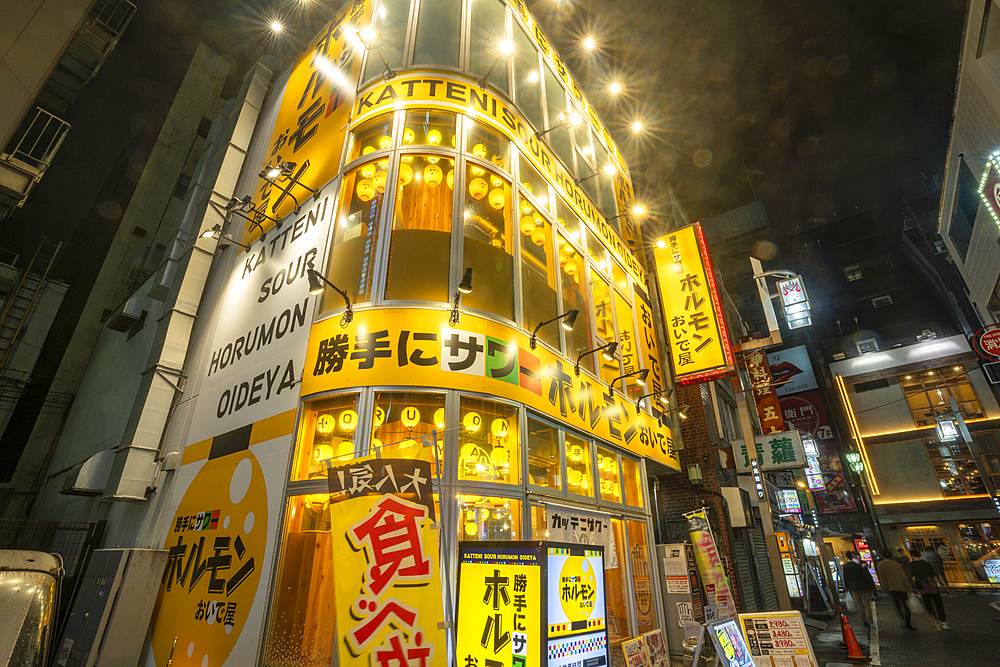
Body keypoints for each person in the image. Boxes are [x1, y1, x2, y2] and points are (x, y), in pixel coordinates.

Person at [876, 549, 916, 631]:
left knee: (898, 605)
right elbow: (903, 576)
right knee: (905, 604)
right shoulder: (896, 564)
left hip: (891, 587)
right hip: (901, 586)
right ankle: (908, 622)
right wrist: (908, 587)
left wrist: (883, 587)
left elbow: (881, 577)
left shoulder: (880, 564)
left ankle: (904, 621)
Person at [909, 548, 947, 630]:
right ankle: (943, 622)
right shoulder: (926, 563)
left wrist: (913, 587)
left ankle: (935, 621)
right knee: (938, 604)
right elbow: (933, 574)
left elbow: (911, 576)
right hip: (932, 586)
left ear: (912, 556)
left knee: (928, 604)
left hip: (922, 587)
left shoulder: (912, 565)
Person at [843, 551, 876, 629]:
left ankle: (864, 620)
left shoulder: (846, 566)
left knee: (859, 605)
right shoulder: (859, 565)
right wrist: (871, 587)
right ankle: (870, 621)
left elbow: (846, 578)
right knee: (867, 605)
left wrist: (847, 588)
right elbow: (865, 576)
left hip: (854, 588)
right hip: (863, 587)